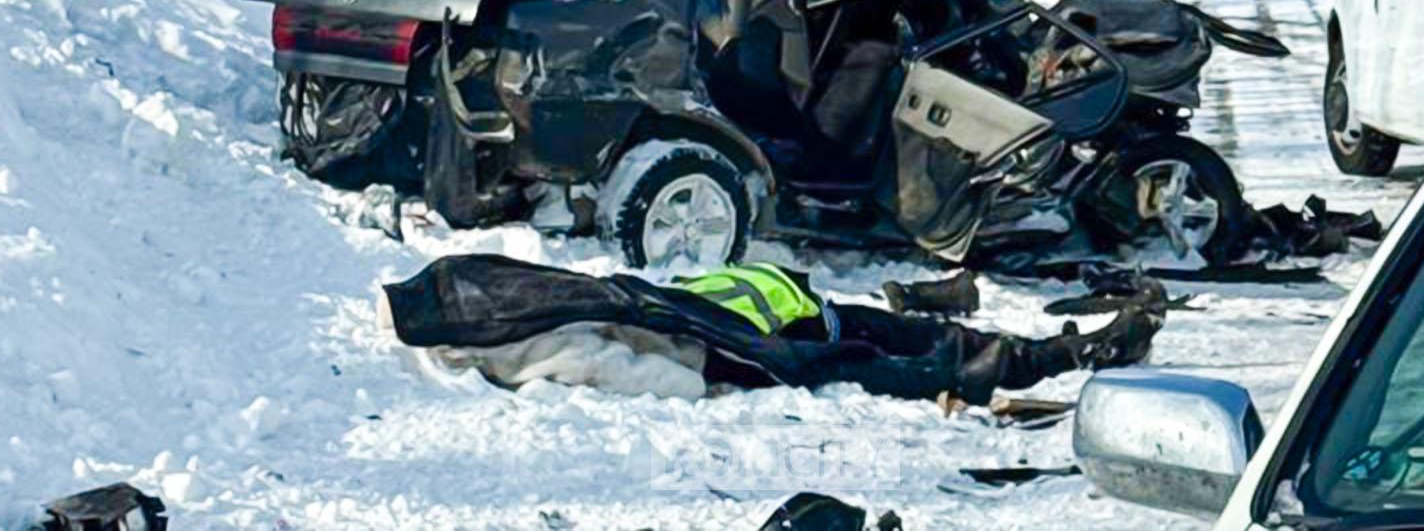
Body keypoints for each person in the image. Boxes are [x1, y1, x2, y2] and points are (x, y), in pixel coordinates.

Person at [383, 254, 1161, 406]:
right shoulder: (498, 298)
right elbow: (618, 368)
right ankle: (1066, 353)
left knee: (875, 345)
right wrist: (702, 383)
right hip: (740, 338)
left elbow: (609, 361)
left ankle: (1054, 349)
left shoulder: (496, 324)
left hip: (743, 330)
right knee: (882, 352)